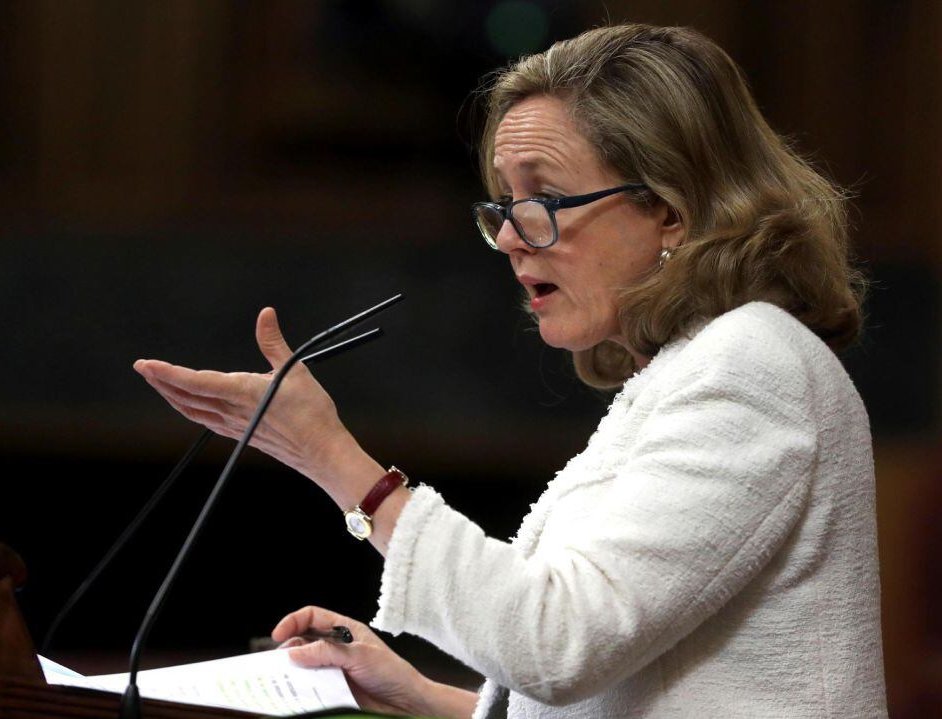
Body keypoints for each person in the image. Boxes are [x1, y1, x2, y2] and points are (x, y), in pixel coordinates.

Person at [133, 23, 887, 719]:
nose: (511, 238)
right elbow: (618, 676)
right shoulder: (684, 372)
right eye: (504, 200)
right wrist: (424, 695)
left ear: (670, 209)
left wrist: (336, 460)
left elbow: (560, 644)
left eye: (548, 196)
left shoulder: (751, 365)